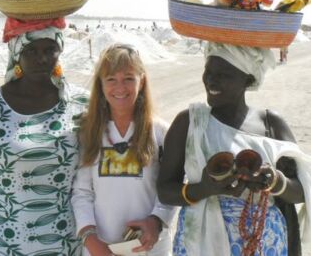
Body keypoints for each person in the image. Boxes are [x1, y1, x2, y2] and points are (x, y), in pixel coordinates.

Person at [157, 42, 311, 256]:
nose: (211, 80)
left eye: (223, 74)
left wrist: (275, 181)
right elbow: (165, 190)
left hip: (264, 244)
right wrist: (203, 189)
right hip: (201, 245)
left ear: (248, 78)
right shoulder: (189, 122)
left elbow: (302, 191)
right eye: (208, 72)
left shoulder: (271, 124)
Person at [0, 17, 88, 255]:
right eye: (31, 50)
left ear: (59, 52)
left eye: (50, 50)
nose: (41, 58)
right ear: (16, 53)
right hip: (0, 244)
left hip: (64, 245)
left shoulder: (81, 103)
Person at [71, 43, 176, 256]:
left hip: (150, 248)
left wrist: (156, 221)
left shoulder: (160, 132)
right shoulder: (88, 133)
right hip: (100, 248)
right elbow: (82, 193)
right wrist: (91, 241)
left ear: (142, 80)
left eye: (129, 78)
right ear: (100, 85)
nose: (120, 88)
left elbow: (171, 189)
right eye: (111, 79)